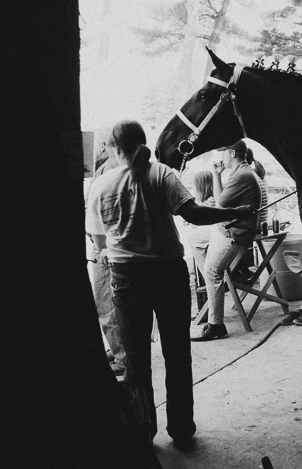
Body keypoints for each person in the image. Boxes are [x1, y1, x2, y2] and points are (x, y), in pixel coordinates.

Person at [86, 120, 253, 449]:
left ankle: (144, 430)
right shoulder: (162, 174)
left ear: (115, 150)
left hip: (126, 278)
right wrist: (234, 211)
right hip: (168, 274)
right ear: (142, 142)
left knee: (136, 359)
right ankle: (181, 428)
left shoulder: (101, 185)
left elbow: (99, 240)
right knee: (177, 353)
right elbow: (193, 214)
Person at [196, 139, 268, 341]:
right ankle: (218, 281)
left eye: (224, 153)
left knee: (212, 271)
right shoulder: (240, 173)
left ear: (233, 153)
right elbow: (221, 203)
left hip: (234, 234)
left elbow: (218, 207)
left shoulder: (242, 176)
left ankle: (216, 325)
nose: (221, 157)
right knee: (194, 237)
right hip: (228, 228)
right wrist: (217, 175)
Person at [85, 127, 126, 377]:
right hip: (108, 244)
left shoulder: (108, 168)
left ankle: (122, 357)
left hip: (107, 247)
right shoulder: (106, 167)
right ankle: (119, 347)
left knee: (106, 301)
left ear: (102, 146)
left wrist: (102, 247)